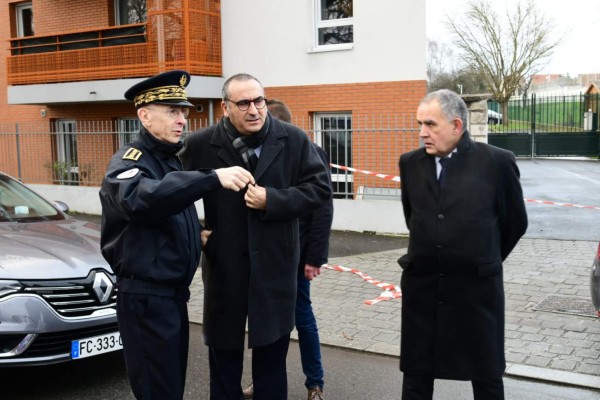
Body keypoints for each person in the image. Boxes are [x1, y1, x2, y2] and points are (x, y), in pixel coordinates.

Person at [99, 70, 255, 400]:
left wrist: (193, 234)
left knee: (170, 389)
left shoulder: (168, 159)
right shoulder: (131, 161)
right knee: (159, 391)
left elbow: (167, 207)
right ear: (144, 115)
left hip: (170, 297)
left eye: (183, 111)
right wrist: (212, 177)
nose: (182, 119)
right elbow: (141, 199)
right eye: (172, 111)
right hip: (146, 299)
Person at [179, 73, 332, 400]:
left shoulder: (292, 139)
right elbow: (169, 188)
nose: (254, 110)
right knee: (224, 365)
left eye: (258, 101)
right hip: (225, 271)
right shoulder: (201, 144)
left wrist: (273, 200)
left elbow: (319, 190)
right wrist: (194, 231)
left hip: (275, 272)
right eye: (244, 103)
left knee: (271, 368)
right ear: (225, 107)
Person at [397, 89, 528, 400]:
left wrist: (483, 259)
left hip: (476, 293)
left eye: (431, 124)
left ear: (457, 126)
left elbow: (515, 223)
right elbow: (412, 217)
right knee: (416, 375)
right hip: (424, 289)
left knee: (486, 376)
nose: (422, 133)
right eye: (419, 124)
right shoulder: (409, 164)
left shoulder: (497, 163)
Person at [241, 99, 333, 400]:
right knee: (268, 325)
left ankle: (314, 384)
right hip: (268, 255)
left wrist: (315, 256)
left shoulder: (308, 151)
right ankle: (265, 381)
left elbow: (322, 208)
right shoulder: (257, 153)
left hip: (297, 255)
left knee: (302, 318)